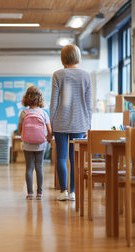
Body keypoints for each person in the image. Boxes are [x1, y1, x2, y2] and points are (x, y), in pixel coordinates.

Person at [49, 44, 92, 201]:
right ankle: (73, 193)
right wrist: (88, 125)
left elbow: (54, 103)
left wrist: (51, 125)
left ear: (63, 59)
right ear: (78, 57)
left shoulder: (58, 75)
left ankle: (63, 192)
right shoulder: (86, 76)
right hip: (80, 122)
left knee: (61, 157)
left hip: (60, 121)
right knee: (75, 159)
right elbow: (89, 104)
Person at [18, 86, 52, 200]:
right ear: (40, 99)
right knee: (39, 167)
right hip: (40, 144)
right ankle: (40, 193)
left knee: (29, 168)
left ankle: (30, 193)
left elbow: (19, 130)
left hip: (27, 144)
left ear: (26, 98)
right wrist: (48, 138)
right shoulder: (43, 113)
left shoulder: (23, 113)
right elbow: (50, 131)